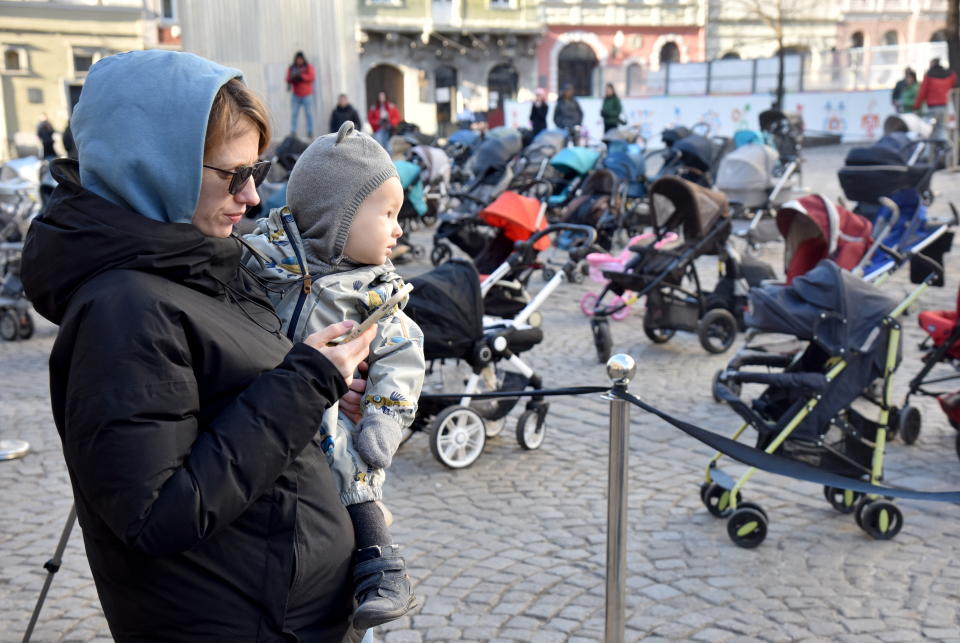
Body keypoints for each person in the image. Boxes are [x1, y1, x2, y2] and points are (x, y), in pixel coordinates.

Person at [20, 49, 374, 642]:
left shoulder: (198, 262)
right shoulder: (123, 308)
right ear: (156, 165)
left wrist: (324, 391)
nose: (253, 196)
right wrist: (303, 385)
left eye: (257, 171)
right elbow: (156, 514)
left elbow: (234, 411)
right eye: (233, 174)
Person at [244, 120, 423, 629]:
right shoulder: (260, 262)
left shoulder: (376, 296)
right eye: (387, 213)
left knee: (348, 455)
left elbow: (402, 358)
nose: (399, 228)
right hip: (268, 413)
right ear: (338, 219)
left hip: (331, 426)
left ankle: (382, 565)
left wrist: (382, 417)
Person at [915, 57, 957, 141]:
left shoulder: (929, 75)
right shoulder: (949, 74)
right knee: (943, 127)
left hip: (932, 107)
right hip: (945, 106)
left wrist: (916, 106)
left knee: (930, 129)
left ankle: (933, 150)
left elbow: (922, 92)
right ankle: (943, 149)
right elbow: (953, 80)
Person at [287, 50, 316, 137]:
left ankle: (310, 131)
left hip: (307, 95)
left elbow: (312, 77)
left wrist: (301, 76)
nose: (299, 61)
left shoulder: (308, 66)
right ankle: (293, 131)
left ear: (303, 59)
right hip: (296, 95)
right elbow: (288, 78)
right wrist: (293, 77)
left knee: (309, 114)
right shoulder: (292, 68)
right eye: (297, 59)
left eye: (300, 59)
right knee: (294, 114)